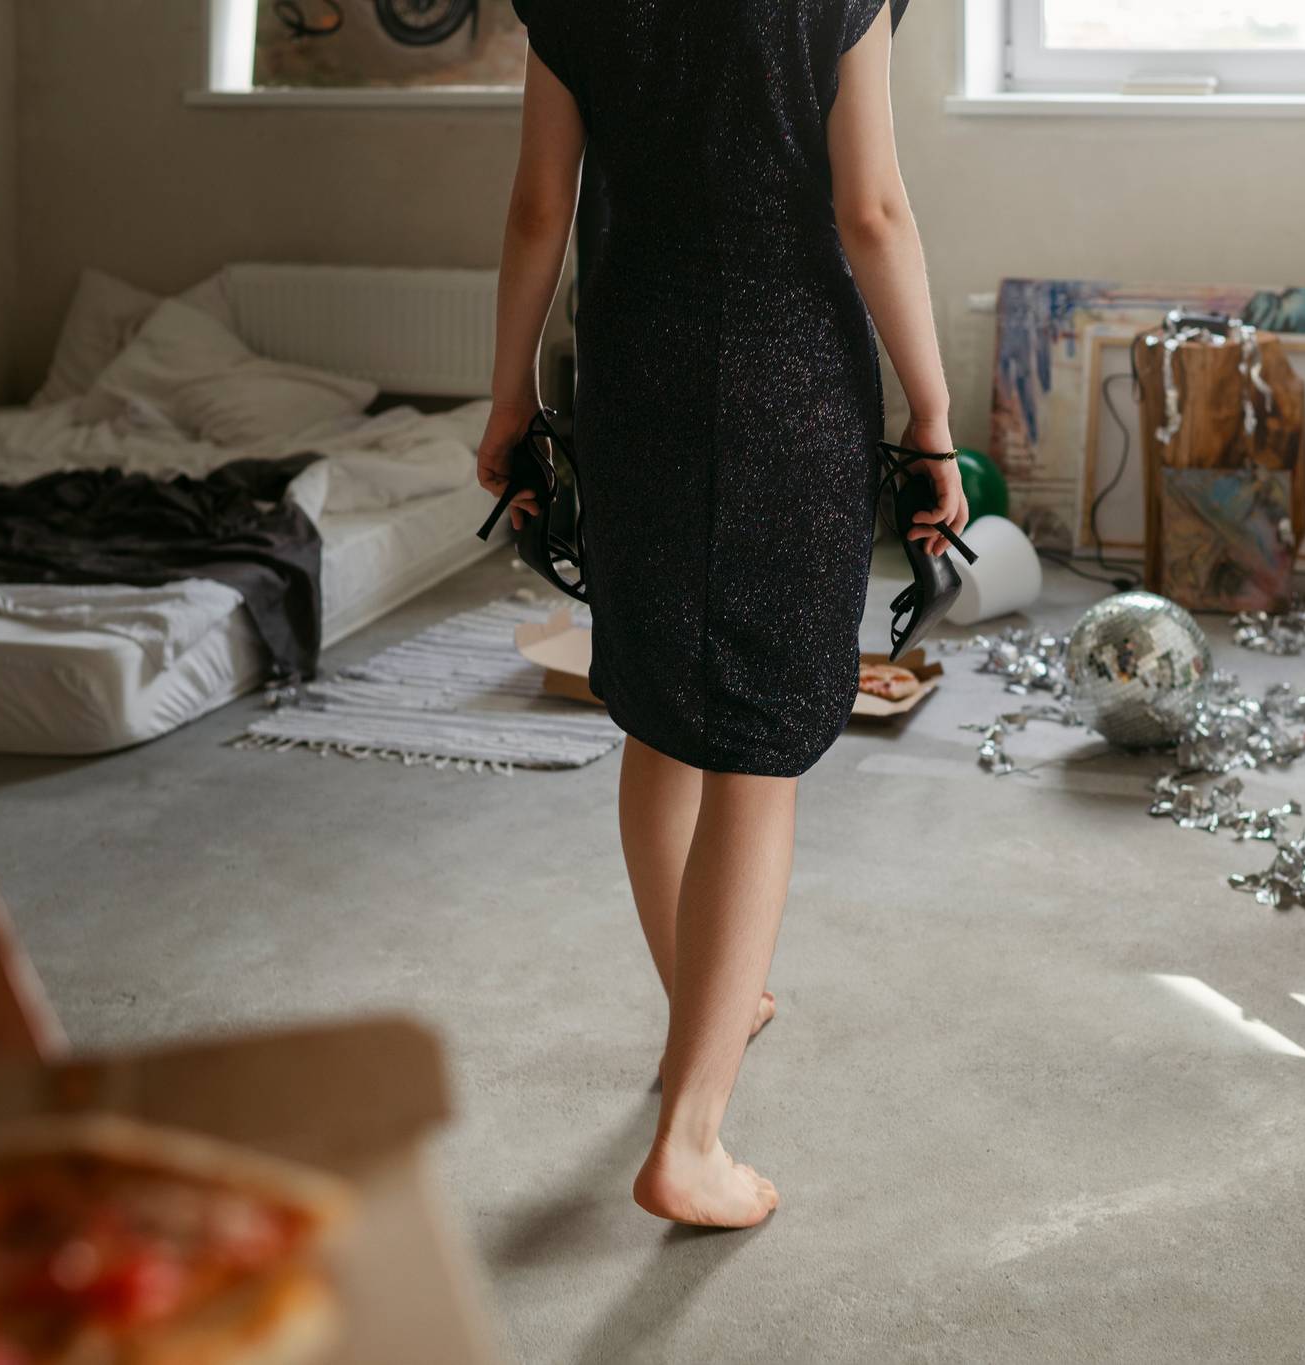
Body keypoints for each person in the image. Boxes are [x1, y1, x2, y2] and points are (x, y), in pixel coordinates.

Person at [477, 0, 964, 1229]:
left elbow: (540, 206)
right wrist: (933, 421)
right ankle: (689, 1138)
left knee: (656, 710)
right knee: (755, 752)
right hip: (788, 375)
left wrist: (507, 403)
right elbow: (872, 213)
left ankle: (706, 1002)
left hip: (633, 372)